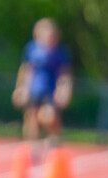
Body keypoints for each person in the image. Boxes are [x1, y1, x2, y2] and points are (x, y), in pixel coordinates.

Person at [12, 18, 72, 148]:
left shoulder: (60, 52)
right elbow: (26, 70)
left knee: (48, 116)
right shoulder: (32, 49)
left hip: (49, 90)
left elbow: (64, 74)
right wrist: (20, 87)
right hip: (33, 89)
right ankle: (32, 147)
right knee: (31, 118)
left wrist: (64, 90)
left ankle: (54, 140)